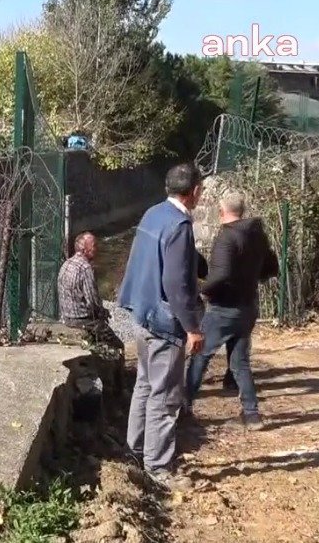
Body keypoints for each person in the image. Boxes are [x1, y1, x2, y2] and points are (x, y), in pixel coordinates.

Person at [117, 162, 205, 489]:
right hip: (164, 322)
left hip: (142, 313)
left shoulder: (153, 213)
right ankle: (158, 468)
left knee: (145, 385)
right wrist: (193, 327)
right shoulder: (180, 225)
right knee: (165, 396)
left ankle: (134, 452)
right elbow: (177, 283)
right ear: (194, 190)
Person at [185, 192, 278, 429]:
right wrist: (249, 279)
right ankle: (252, 414)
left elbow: (221, 274)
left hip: (224, 309)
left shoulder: (227, 237)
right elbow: (271, 267)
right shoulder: (257, 235)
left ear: (221, 211)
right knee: (240, 363)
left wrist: (202, 291)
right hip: (248, 307)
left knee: (200, 356)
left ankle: (184, 407)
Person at [57, 232, 123, 360]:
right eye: (94, 245)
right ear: (85, 250)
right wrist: (103, 313)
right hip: (83, 320)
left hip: (66, 316)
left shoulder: (66, 264)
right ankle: (118, 377)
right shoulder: (85, 268)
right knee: (118, 345)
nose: (96, 248)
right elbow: (92, 302)